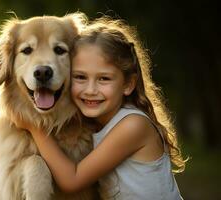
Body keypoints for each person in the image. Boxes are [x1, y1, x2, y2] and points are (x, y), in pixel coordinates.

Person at [19, 16, 186, 199]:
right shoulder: (98, 123)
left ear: (128, 84)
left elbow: (72, 180)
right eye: (80, 77)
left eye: (104, 79)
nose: (90, 90)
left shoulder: (133, 125)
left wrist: (35, 127)